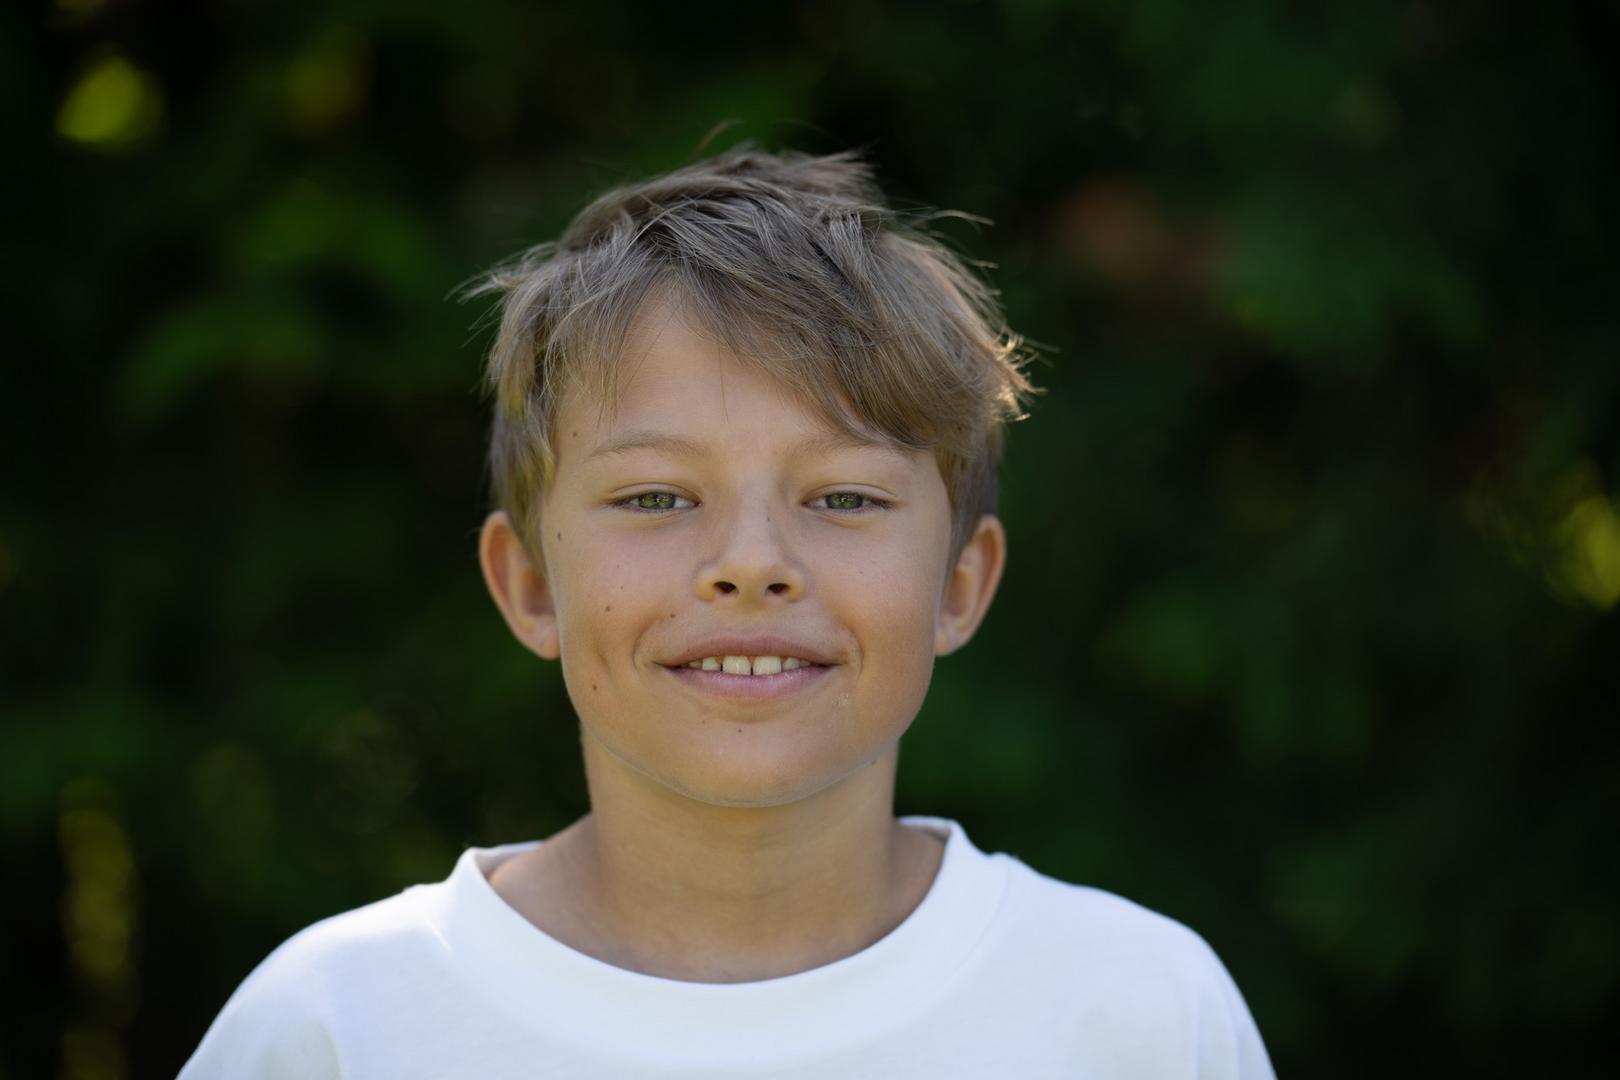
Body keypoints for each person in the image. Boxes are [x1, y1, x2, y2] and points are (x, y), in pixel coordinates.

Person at [178, 146, 1275, 1078]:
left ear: (958, 585)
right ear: (530, 585)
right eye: (656, 498)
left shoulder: (1138, 1015)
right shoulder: (337, 1028)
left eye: (845, 498)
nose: (751, 566)